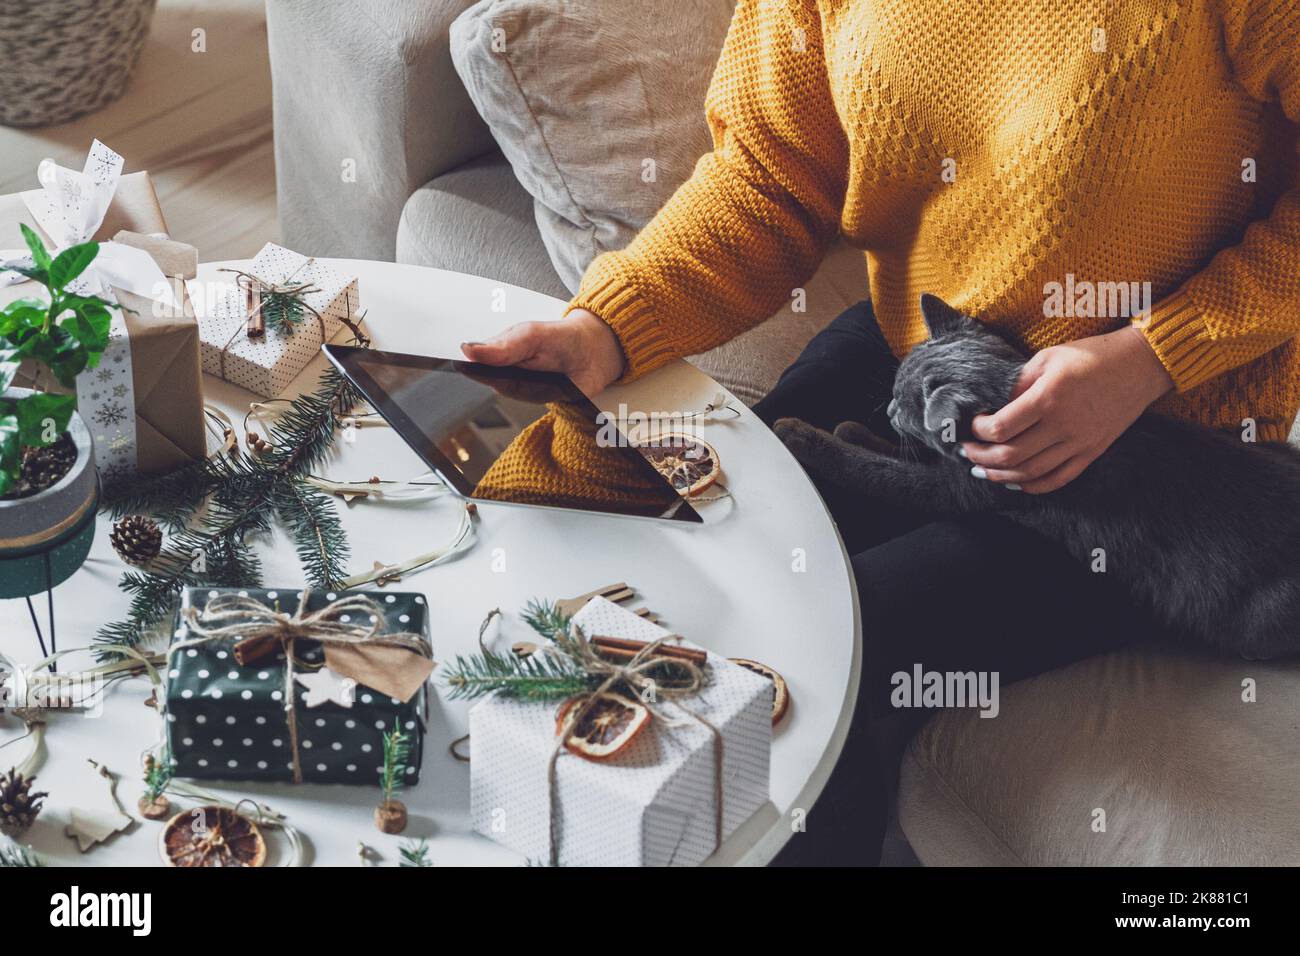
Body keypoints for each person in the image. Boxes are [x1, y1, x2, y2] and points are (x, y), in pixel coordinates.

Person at [463, 0, 1300, 864]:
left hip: (1153, 458)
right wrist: (605, 326)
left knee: (821, 660)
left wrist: (1153, 352)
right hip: (923, 350)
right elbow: (767, 182)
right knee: (708, 553)